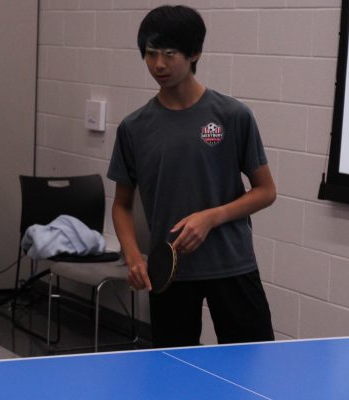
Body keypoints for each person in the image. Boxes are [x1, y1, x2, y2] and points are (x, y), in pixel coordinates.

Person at [107, 5, 276, 348]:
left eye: (169, 54)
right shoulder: (134, 128)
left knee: (253, 368)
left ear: (194, 53)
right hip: (169, 274)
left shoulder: (233, 116)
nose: (158, 65)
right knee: (174, 376)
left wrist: (212, 217)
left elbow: (266, 191)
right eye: (151, 54)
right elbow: (122, 205)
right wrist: (133, 255)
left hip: (232, 265)